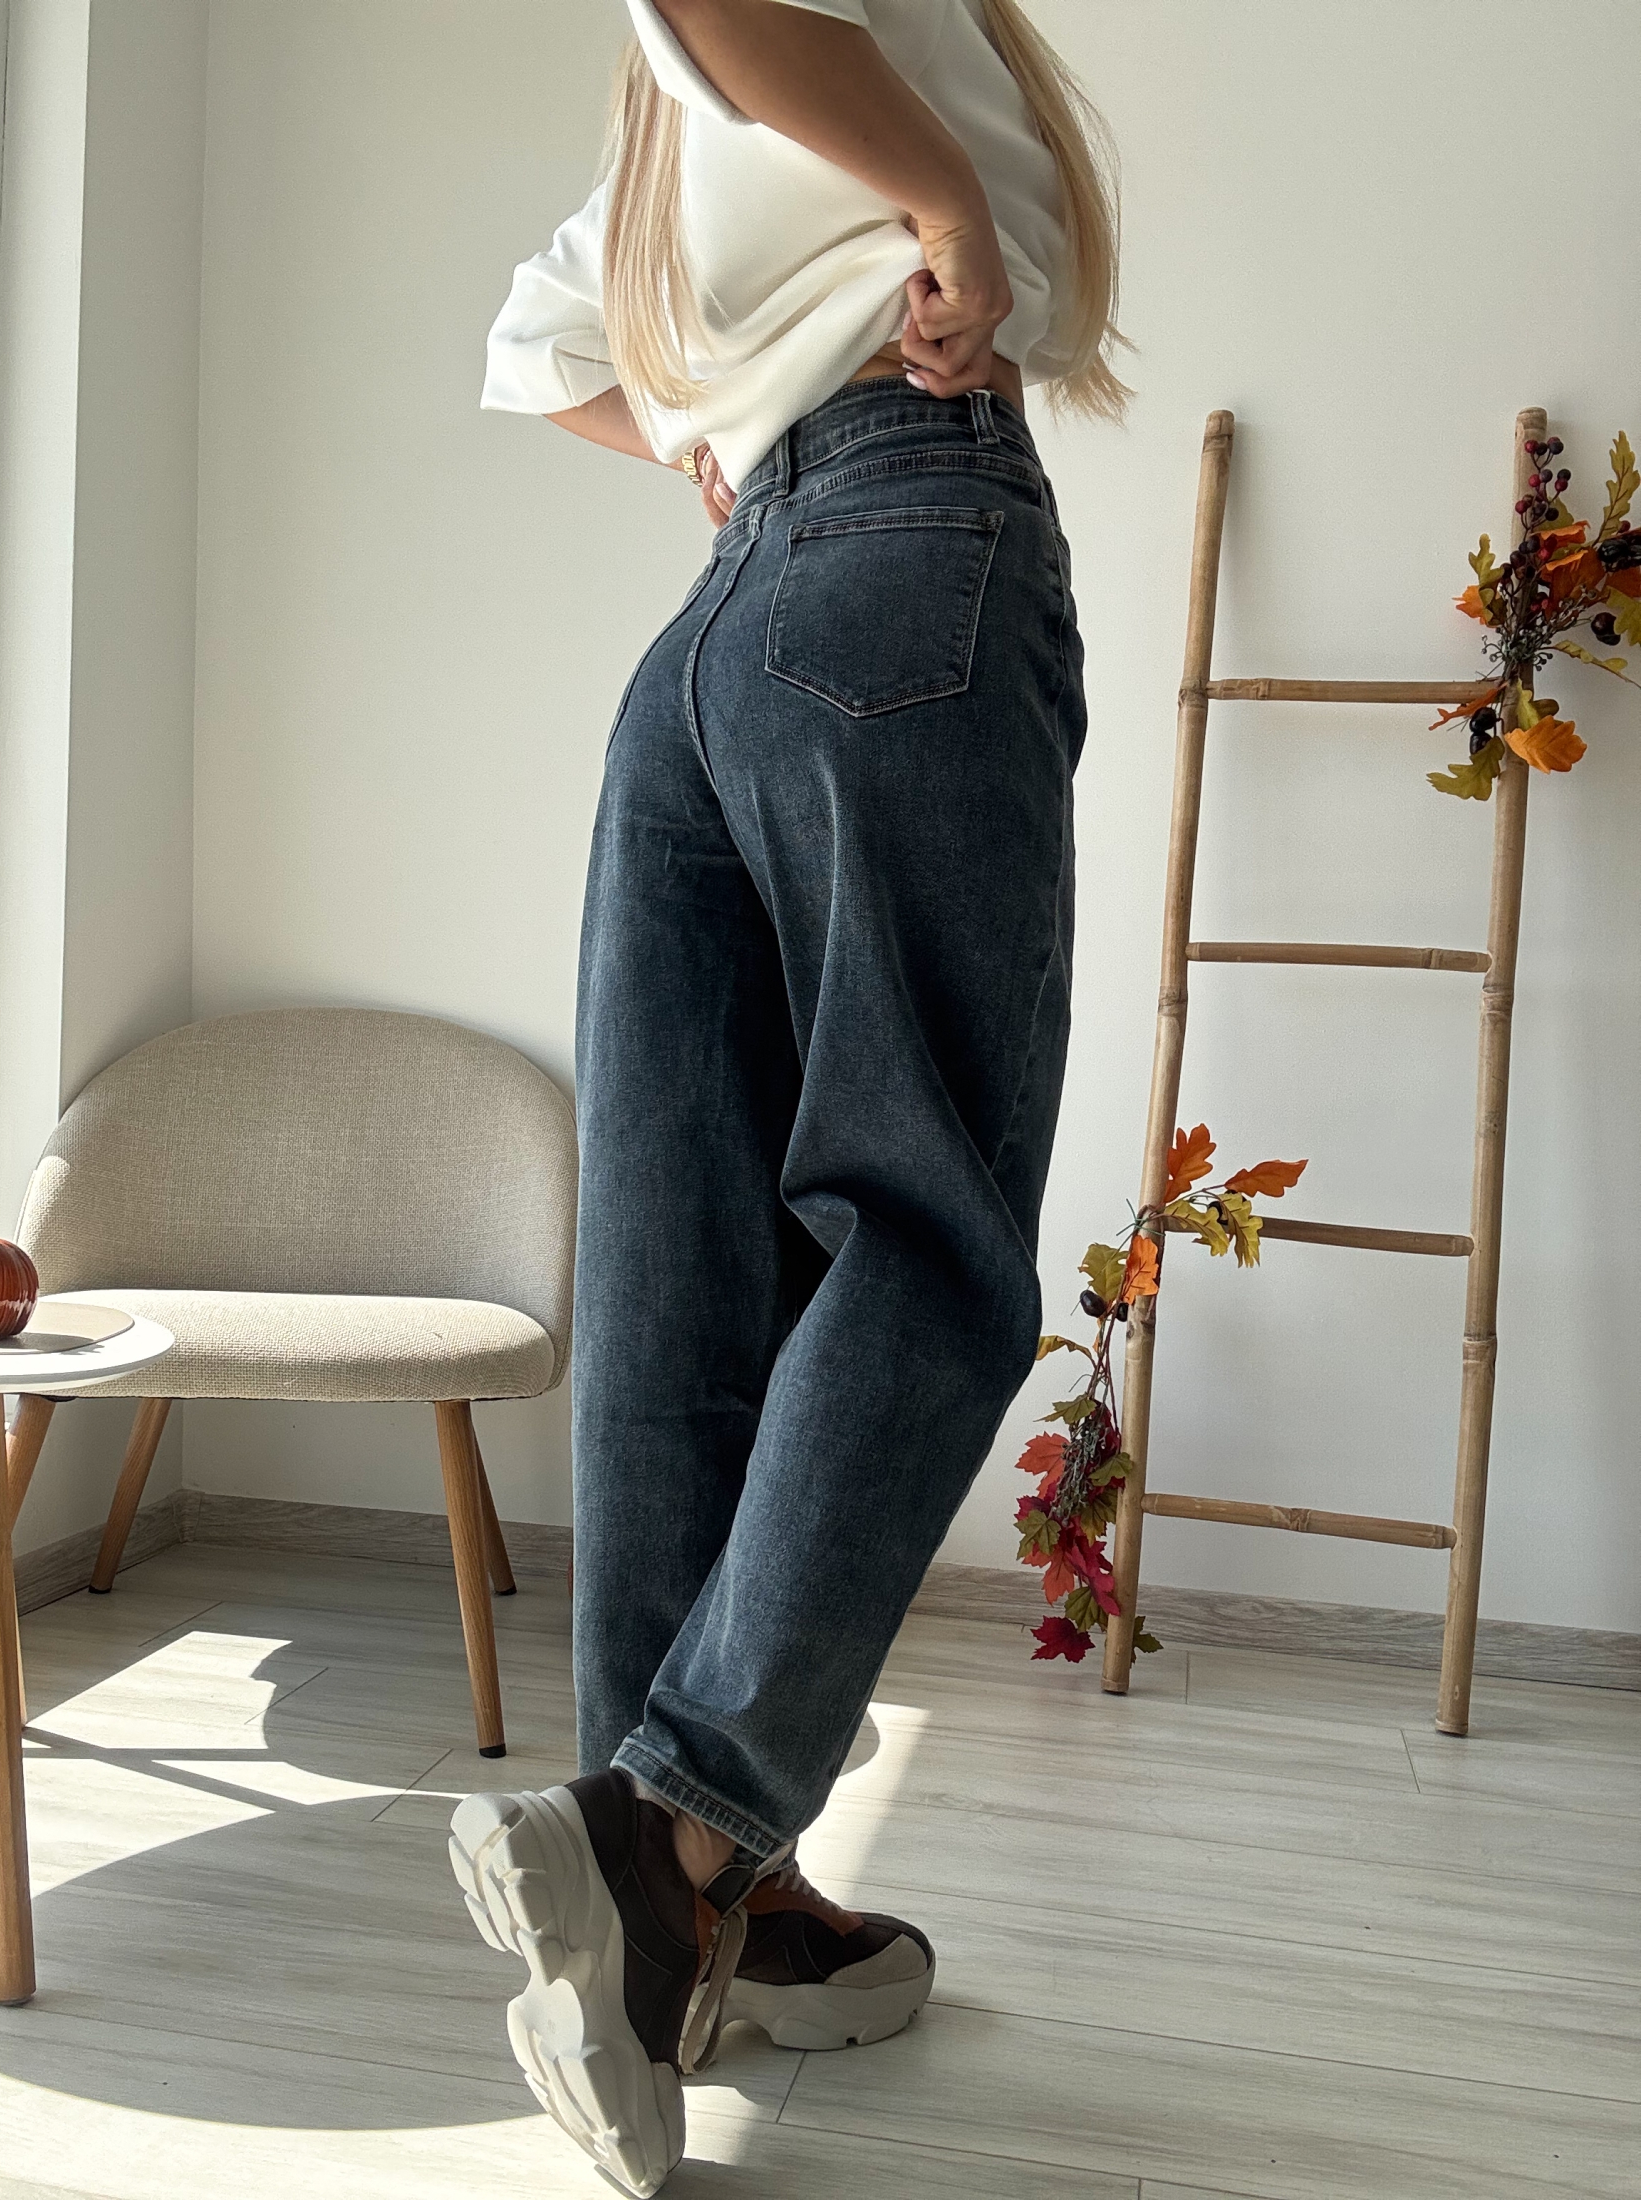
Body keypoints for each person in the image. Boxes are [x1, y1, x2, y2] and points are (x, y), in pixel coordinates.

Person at [449, 3, 1123, 2191]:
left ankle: (693, 1909)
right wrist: (946, 210)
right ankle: (675, 1827)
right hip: (914, 553)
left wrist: (719, 443)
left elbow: (538, 345)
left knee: (686, 1279)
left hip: (716, 642)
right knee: (920, 1238)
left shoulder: (675, 147)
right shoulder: (826, 64)